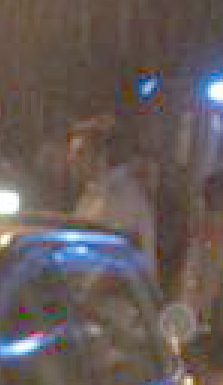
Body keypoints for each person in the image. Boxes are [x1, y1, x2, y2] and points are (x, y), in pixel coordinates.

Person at [66, 114, 158, 274]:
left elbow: (109, 266)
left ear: (101, 156)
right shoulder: (93, 194)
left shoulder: (122, 198)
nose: (71, 159)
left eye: (80, 153)